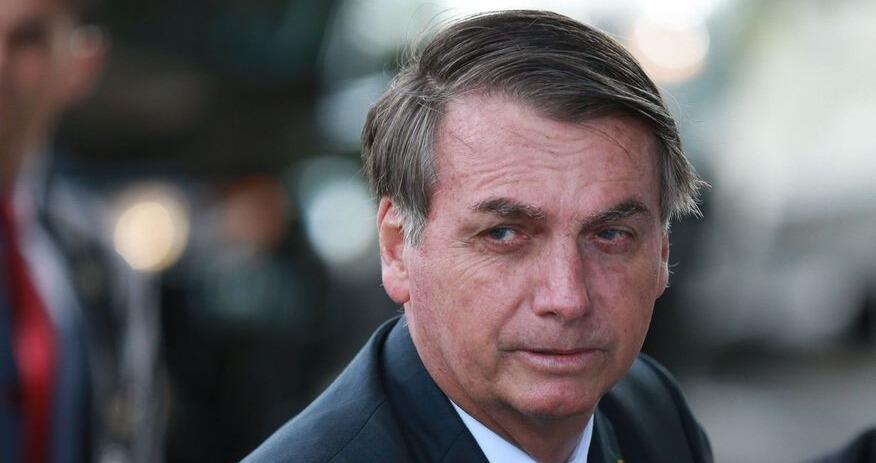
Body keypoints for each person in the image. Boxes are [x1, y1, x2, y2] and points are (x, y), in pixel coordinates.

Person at [246, 10, 712, 463]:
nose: (567, 298)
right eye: (503, 234)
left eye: (610, 235)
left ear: (663, 252)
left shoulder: (653, 412)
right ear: (397, 248)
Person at [0, 0, 163, 461]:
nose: (0, 62)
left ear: (81, 64)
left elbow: (130, 438)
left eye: (28, 38)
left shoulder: (101, 258)